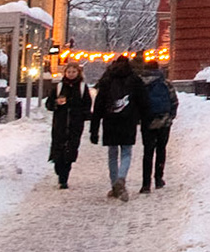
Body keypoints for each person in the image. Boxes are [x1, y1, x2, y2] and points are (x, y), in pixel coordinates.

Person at [89, 55, 149, 202]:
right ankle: (121, 179)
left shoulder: (106, 80)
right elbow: (144, 102)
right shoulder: (135, 79)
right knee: (126, 152)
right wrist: (144, 122)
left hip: (110, 121)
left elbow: (98, 106)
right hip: (128, 121)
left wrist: (94, 129)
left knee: (112, 154)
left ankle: (114, 184)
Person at [43, 61, 91, 189]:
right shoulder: (59, 87)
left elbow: (87, 104)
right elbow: (49, 104)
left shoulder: (82, 88)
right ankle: (59, 169)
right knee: (58, 148)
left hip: (75, 124)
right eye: (69, 72)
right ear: (65, 73)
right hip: (60, 123)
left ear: (78, 73)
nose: (71, 74)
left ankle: (64, 177)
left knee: (70, 150)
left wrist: (83, 114)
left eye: (73, 72)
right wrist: (56, 103)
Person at [140, 63, 178, 192]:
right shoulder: (166, 83)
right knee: (161, 149)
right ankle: (158, 179)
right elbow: (174, 100)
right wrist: (170, 116)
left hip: (147, 121)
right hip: (164, 120)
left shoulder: (140, 83)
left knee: (148, 151)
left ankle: (146, 184)